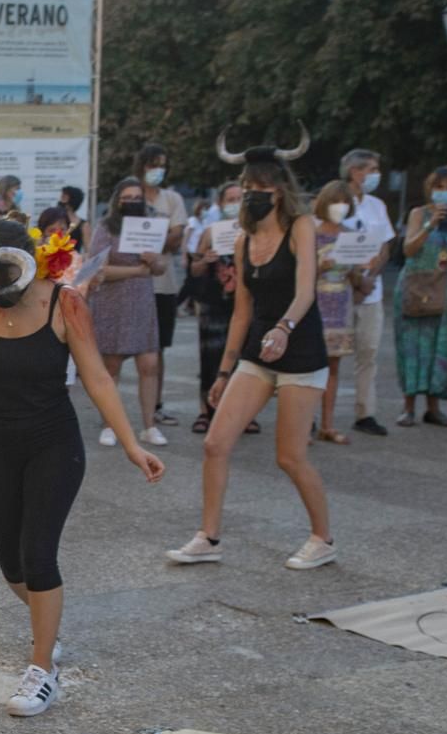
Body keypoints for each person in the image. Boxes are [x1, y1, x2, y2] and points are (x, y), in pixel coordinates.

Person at [0, 219, 165, 717]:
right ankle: (47, 629)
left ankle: (42, 668)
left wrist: (131, 444)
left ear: (24, 265)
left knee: (38, 556)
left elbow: (97, 378)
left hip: (53, 444)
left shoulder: (64, 302)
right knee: (12, 566)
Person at [167, 131, 334, 571]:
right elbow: (242, 310)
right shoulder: (243, 240)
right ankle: (209, 537)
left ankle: (323, 538)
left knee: (290, 456)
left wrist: (284, 328)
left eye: (262, 188)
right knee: (215, 443)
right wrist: (223, 374)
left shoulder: (301, 227)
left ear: (280, 190)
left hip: (300, 349)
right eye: (248, 188)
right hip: (257, 352)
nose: (253, 195)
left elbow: (306, 291)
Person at [393, 168, 447, 427]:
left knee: (440, 346)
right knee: (412, 346)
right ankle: (408, 407)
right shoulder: (419, 213)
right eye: (439, 186)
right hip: (417, 287)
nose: (444, 191)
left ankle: (434, 408)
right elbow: (408, 249)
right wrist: (429, 225)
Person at [85, 177, 167, 447]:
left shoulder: (150, 225)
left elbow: (161, 268)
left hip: (142, 302)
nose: (132, 202)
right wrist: (137, 270)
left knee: (149, 364)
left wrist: (154, 261)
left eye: (136, 197)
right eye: (127, 198)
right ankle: (109, 425)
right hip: (114, 302)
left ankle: (149, 426)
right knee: (112, 366)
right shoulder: (106, 227)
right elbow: (98, 268)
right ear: (117, 201)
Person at [339, 148, 394, 436]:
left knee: (368, 353)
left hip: (372, 292)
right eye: (371, 169)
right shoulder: (336, 202)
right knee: (329, 356)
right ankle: (315, 416)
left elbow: (384, 247)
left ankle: (365, 413)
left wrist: (369, 278)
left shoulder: (377, 205)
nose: (376, 175)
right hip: (338, 292)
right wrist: (355, 280)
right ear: (354, 171)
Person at [133, 144, 188, 426]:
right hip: (132, 284)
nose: (158, 170)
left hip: (163, 286)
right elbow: (122, 237)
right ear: (142, 166)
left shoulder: (173, 199)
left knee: (158, 348)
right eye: (153, 164)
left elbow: (176, 238)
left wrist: (146, 242)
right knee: (118, 350)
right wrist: (157, 239)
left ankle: (156, 405)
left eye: (162, 165)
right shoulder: (131, 195)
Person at [310, 181, 361, 443]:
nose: (340, 207)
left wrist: (363, 268)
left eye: (345, 202)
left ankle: (327, 425)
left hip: (341, 305)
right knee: (308, 367)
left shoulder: (352, 236)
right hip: (314, 305)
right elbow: (299, 276)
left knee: (333, 367)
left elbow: (358, 281)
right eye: (335, 201)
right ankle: (305, 424)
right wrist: (321, 266)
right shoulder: (311, 234)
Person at [191, 182, 243, 434]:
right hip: (213, 303)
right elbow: (194, 269)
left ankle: (242, 414)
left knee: (243, 360)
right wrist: (205, 260)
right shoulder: (211, 232)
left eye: (239, 198)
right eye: (230, 199)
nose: (235, 204)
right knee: (210, 358)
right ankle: (206, 410)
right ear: (221, 204)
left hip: (243, 304)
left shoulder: (254, 233)